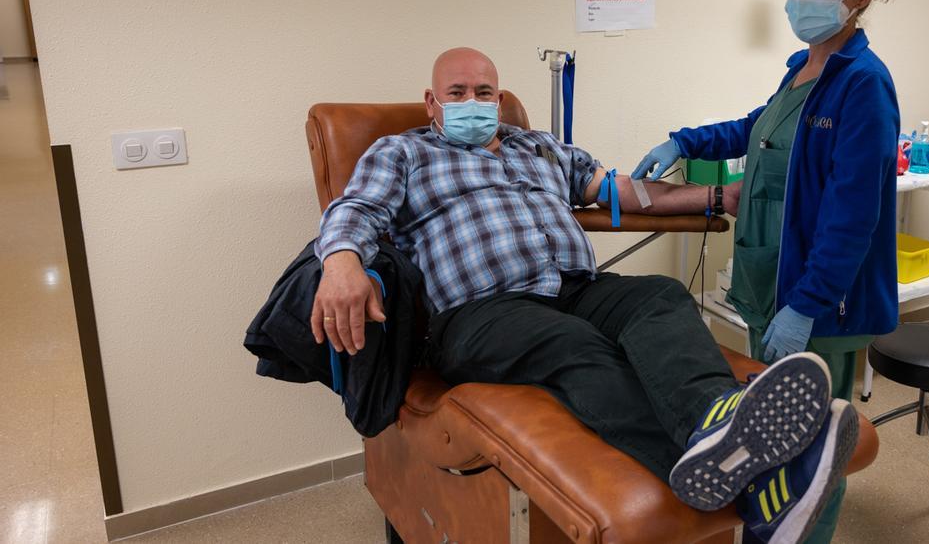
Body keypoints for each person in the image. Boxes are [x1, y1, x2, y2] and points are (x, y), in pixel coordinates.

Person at [311, 46, 858, 542]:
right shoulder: (403, 153)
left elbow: (622, 190)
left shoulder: (540, 148)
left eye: (483, 92)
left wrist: (716, 193)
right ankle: (743, 477)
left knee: (660, 296)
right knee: (574, 344)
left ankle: (715, 419)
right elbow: (356, 209)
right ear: (432, 102)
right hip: (480, 311)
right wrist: (339, 263)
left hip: (575, 286)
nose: (471, 102)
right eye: (457, 93)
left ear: (498, 100)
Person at [632, 0, 903, 542]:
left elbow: (853, 215)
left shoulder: (864, 85)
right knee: (770, 437)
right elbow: (761, 127)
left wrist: (805, 305)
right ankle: (764, 528)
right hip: (768, 281)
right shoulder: (806, 67)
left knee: (813, 451)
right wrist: (686, 139)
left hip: (818, 303)